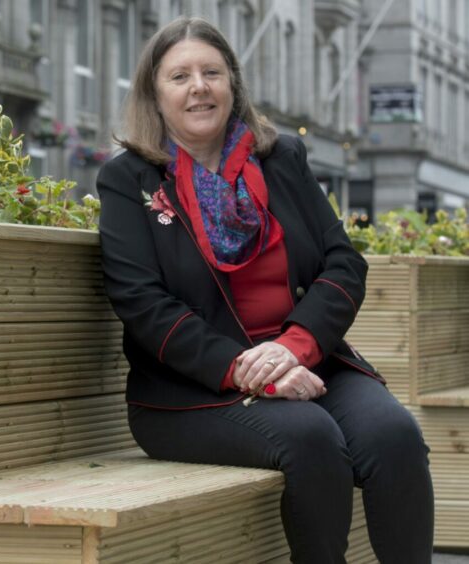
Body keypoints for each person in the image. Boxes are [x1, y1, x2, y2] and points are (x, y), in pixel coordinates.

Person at [96, 17, 433, 564]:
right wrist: (247, 367)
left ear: (233, 84)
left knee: (393, 433)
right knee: (311, 437)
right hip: (194, 392)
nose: (199, 86)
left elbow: (343, 262)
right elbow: (143, 304)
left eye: (212, 72)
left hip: (306, 360)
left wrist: (292, 347)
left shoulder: (282, 160)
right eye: (180, 76)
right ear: (155, 95)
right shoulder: (129, 180)